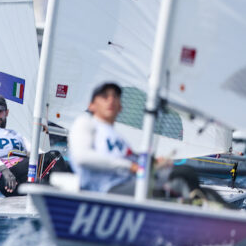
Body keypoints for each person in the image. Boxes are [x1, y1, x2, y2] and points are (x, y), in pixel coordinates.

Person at [68, 81, 225, 204]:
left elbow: (133, 162)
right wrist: (130, 166)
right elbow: (82, 157)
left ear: (120, 107)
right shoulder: (85, 123)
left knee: (191, 177)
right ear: (91, 105)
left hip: (128, 185)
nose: (111, 100)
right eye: (104, 96)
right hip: (106, 190)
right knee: (181, 177)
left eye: (115, 97)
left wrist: (155, 163)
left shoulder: (117, 136)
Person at [0, 94, 68, 197]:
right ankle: (64, 195)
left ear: (6, 112)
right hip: (5, 178)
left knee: (57, 163)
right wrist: (4, 170)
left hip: (24, 175)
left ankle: (56, 196)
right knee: (54, 157)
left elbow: (38, 153)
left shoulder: (15, 134)